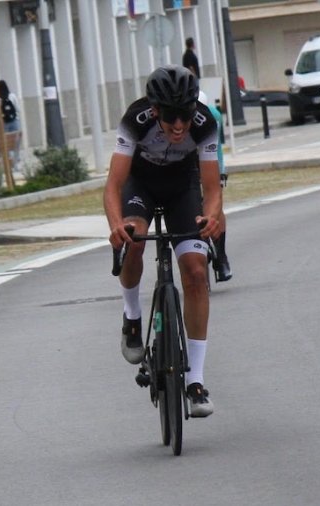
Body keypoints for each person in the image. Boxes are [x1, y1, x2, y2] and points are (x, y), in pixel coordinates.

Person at [104, 65, 221, 418]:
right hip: (139, 184)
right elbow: (113, 186)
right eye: (170, 117)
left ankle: (195, 382)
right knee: (134, 239)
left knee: (197, 272)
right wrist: (115, 226)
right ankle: (132, 315)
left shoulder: (204, 123)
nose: (179, 126)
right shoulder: (135, 120)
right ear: (155, 111)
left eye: (184, 115)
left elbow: (213, 188)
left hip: (181, 187)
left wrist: (213, 216)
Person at [197, 90, 232, 282]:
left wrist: (219, 175)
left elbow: (214, 148)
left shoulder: (214, 115)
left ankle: (221, 255)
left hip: (210, 158)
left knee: (215, 206)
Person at [0, 80, 22, 169]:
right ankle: (16, 162)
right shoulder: (12, 96)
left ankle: (10, 162)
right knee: (16, 142)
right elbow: (18, 109)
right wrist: (17, 118)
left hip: (5, 123)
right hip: (15, 121)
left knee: (7, 144)